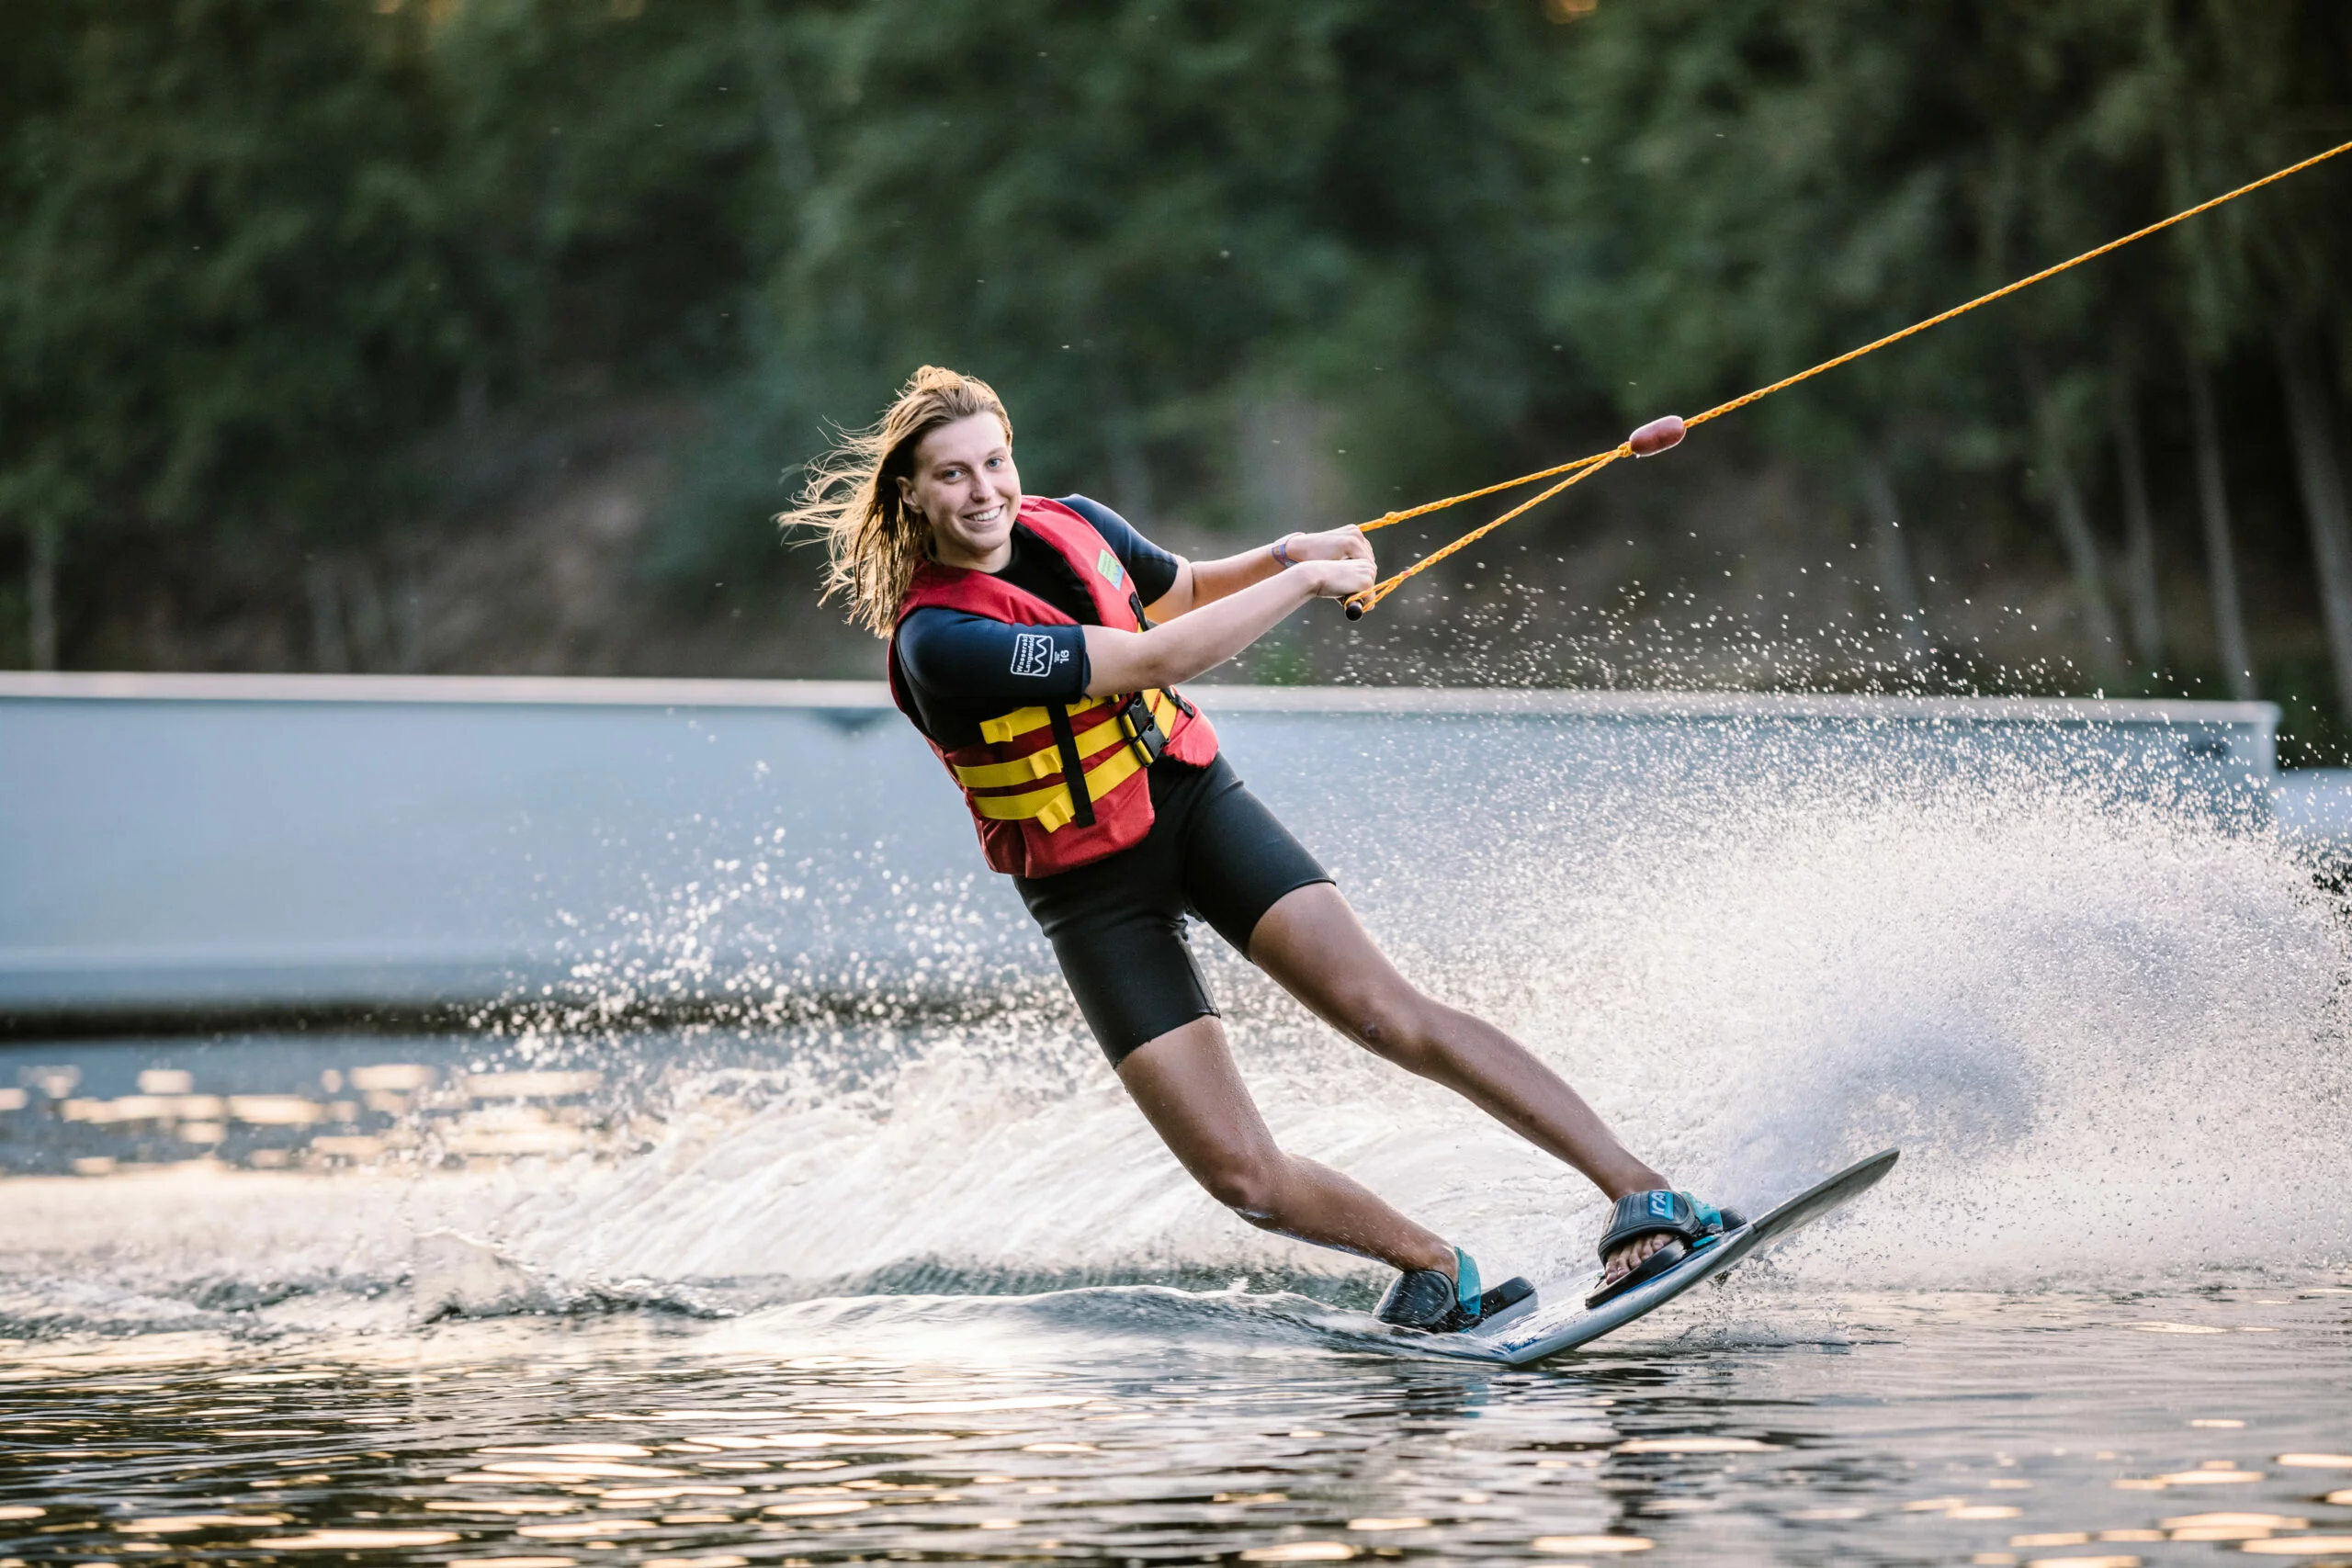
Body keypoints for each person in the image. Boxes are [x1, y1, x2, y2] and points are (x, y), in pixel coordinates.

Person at [789, 365, 1739, 1331]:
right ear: (910, 494)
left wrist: (1286, 549)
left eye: (995, 461)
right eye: (952, 475)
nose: (984, 491)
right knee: (1241, 1176)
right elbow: (1155, 656)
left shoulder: (1070, 520)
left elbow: (1182, 591)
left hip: (1193, 804)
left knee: (1385, 1015)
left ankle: (1647, 1195)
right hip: (1089, 894)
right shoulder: (939, 639)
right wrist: (1305, 581)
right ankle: (1435, 1268)